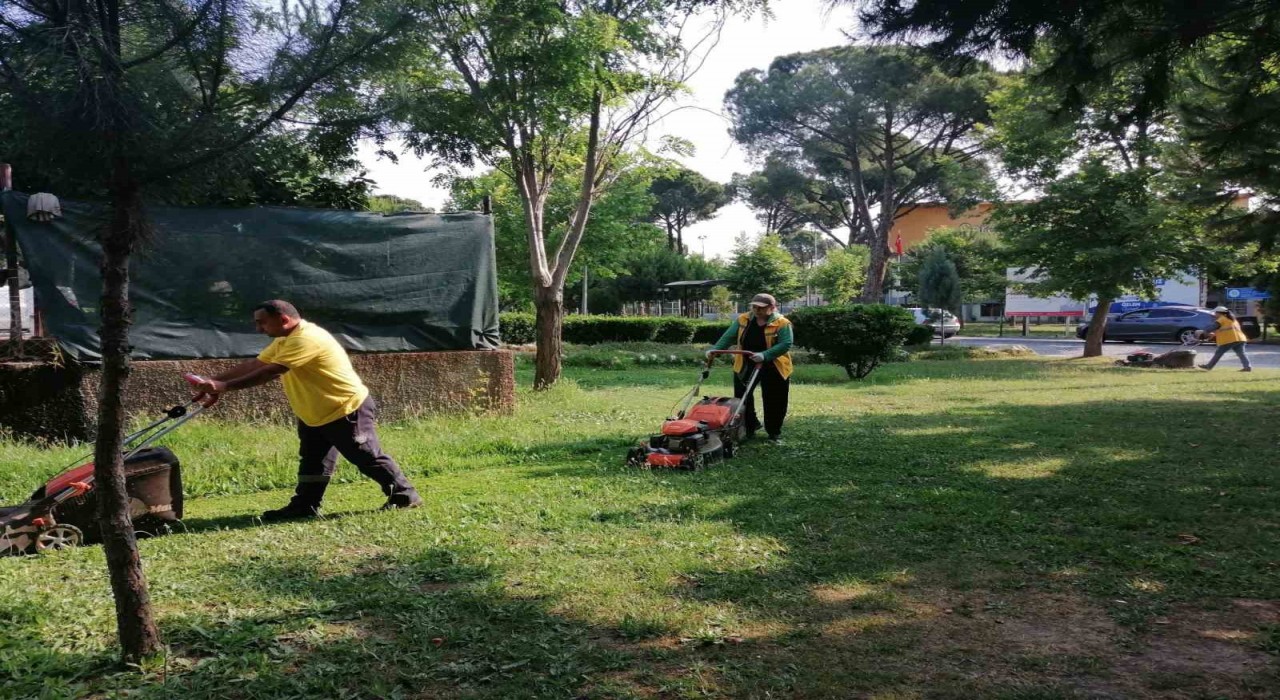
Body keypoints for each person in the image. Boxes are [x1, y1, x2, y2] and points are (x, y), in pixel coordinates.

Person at [190, 300, 422, 520]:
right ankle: (305, 506)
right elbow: (256, 364)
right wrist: (213, 382)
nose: (258, 328)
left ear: (283, 319)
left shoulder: (307, 338)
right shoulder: (284, 338)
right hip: (315, 413)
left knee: (365, 455)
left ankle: (405, 496)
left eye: (262, 322)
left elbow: (271, 372)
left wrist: (225, 387)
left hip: (345, 408)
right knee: (313, 461)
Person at [706, 293, 795, 442]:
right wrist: (715, 350)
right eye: (754, 307)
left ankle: (774, 432)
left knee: (774, 399)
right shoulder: (743, 319)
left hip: (774, 365)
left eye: (760, 308)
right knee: (742, 397)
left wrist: (765, 355)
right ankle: (750, 427)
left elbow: (786, 344)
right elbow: (729, 336)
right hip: (746, 362)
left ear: (772, 308)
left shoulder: (782, 323)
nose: (756, 310)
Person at [1198, 306, 1253, 372]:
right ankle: (1247, 367)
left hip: (1230, 339)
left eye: (1216, 313)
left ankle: (1209, 366)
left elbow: (1213, 327)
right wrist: (1214, 335)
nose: (1215, 314)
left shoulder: (1222, 319)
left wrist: (1205, 332)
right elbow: (1225, 330)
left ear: (1220, 313)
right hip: (1240, 338)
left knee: (1218, 353)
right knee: (1241, 353)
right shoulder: (1232, 319)